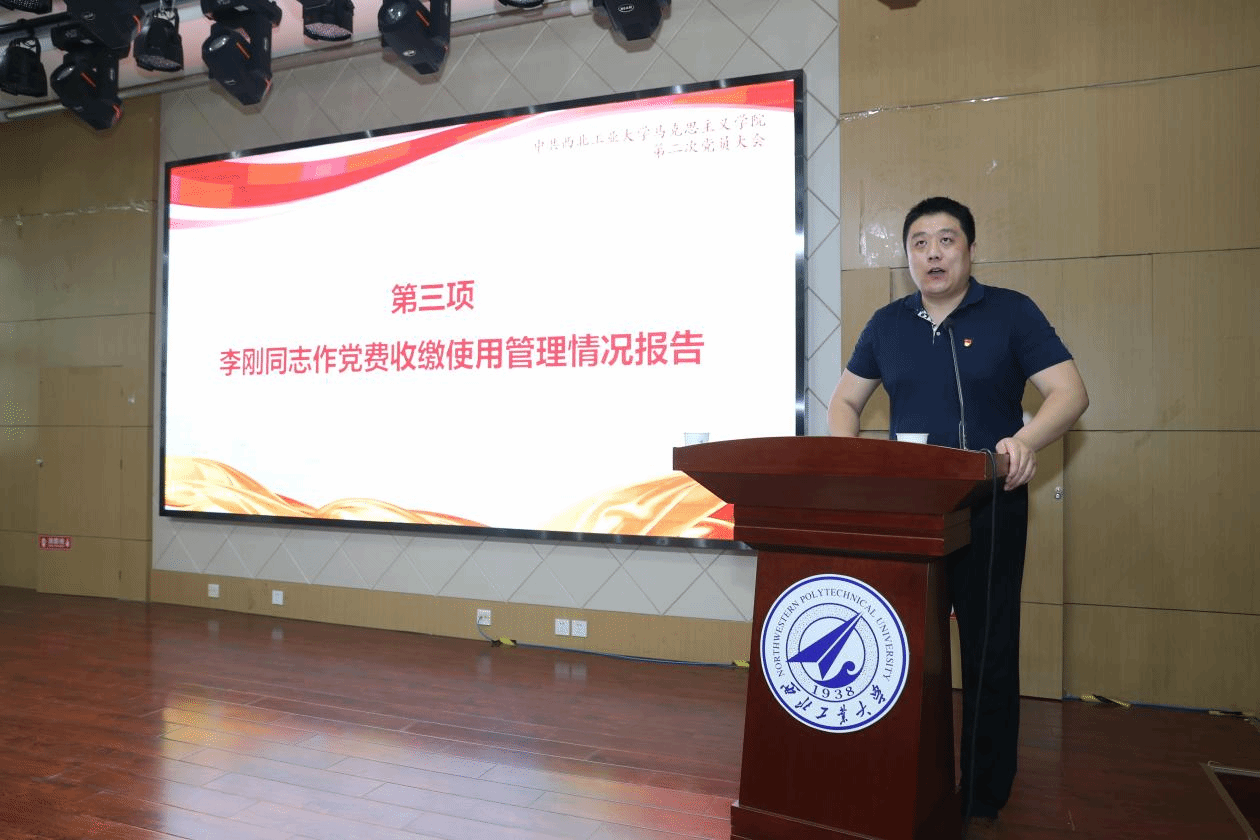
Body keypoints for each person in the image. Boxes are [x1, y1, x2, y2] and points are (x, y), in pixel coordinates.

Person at [827, 196, 1089, 823]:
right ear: (907, 257)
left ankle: (981, 794)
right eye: (919, 243)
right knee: (900, 647)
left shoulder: (1011, 312)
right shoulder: (887, 324)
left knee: (988, 648)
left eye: (946, 240)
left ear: (970, 250)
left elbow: (1069, 392)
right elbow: (844, 402)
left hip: (988, 504)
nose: (933, 253)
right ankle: (901, 772)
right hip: (909, 511)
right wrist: (853, 462)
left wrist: (1024, 441)